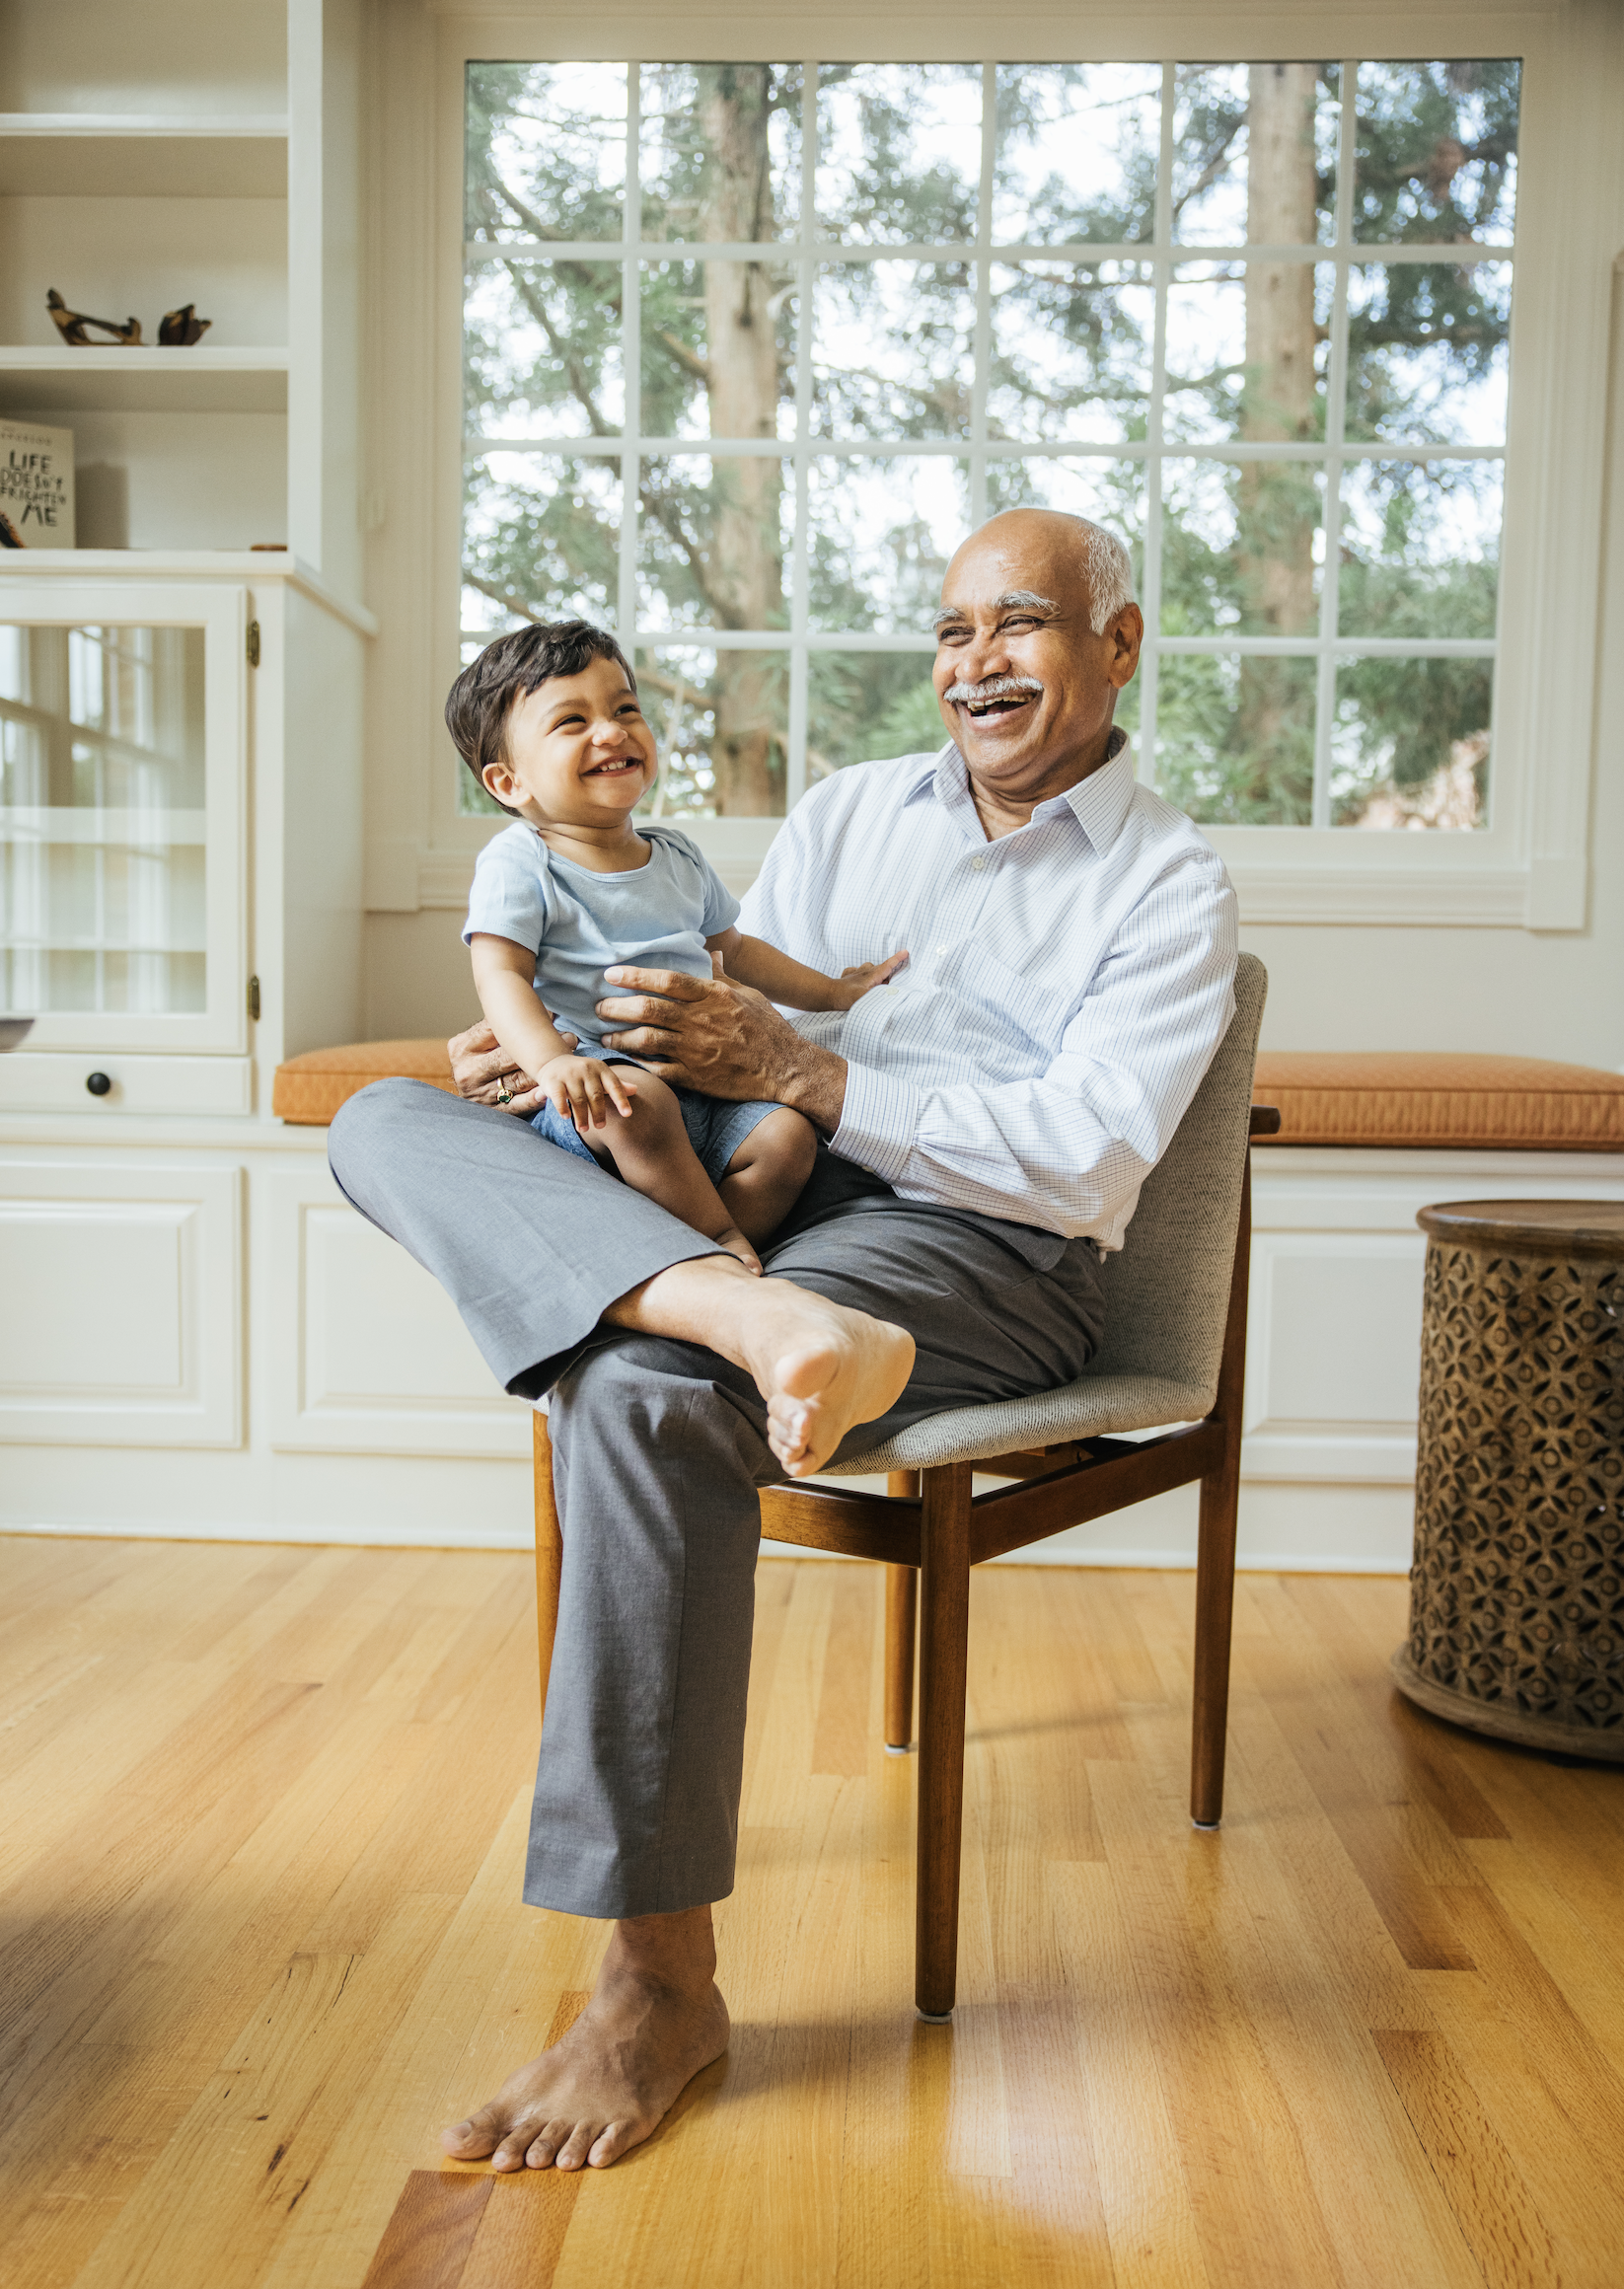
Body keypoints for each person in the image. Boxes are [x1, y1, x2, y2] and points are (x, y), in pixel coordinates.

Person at [328, 507, 1238, 2177]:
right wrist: (568, 1064)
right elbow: (728, 1014)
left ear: (1117, 647)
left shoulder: (1167, 879)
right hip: (763, 1211)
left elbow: (1088, 1156)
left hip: (980, 1246)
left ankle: (653, 1985)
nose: (975, 662)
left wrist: (810, 1069)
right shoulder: (844, 815)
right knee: (382, 1117)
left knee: (640, 1387)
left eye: (1022, 624)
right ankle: (739, 1308)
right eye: (954, 628)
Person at [453, 622, 910, 1283]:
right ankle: (716, 1245)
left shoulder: (677, 856)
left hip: (706, 1094)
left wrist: (840, 994)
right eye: (572, 721)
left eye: (624, 709)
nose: (611, 731)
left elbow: (741, 951)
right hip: (599, 1096)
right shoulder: (521, 860)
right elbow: (499, 973)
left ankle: (679, 1258)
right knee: (637, 1103)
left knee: (787, 1139)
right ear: (508, 782)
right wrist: (554, 1064)